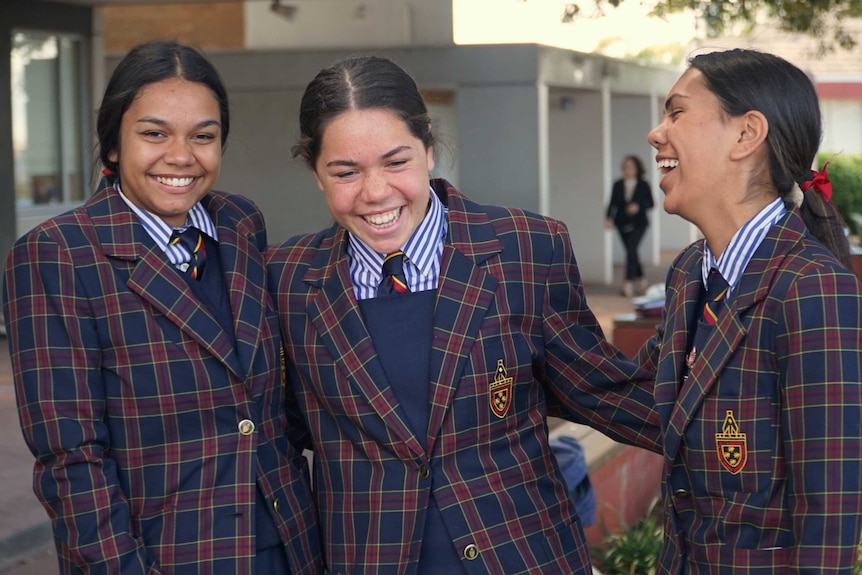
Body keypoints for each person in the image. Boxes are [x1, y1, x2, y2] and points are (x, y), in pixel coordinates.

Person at [266, 55, 661, 574]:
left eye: (396, 162)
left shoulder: (526, 247)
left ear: (428, 148)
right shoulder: (286, 278)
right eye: (345, 172)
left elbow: (603, 390)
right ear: (316, 172)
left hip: (524, 558)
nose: (376, 191)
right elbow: (269, 436)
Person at [2, 40, 322, 575]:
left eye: (204, 136)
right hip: (164, 556)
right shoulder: (58, 255)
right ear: (112, 145)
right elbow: (71, 458)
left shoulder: (240, 224)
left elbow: (270, 404)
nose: (181, 156)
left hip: (288, 544)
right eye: (154, 134)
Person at [638, 48, 862, 573]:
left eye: (676, 112)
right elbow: (641, 400)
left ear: (746, 135)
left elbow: (828, 516)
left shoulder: (811, 287)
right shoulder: (691, 271)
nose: (656, 133)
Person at [605, 154, 654, 297]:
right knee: (631, 252)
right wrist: (609, 218)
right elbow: (612, 203)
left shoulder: (643, 184)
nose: (627, 170)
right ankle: (641, 279)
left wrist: (638, 206)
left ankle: (627, 282)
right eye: (625, 167)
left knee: (631, 250)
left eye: (630, 167)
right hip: (622, 222)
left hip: (640, 223)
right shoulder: (618, 185)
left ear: (637, 169)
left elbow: (651, 203)